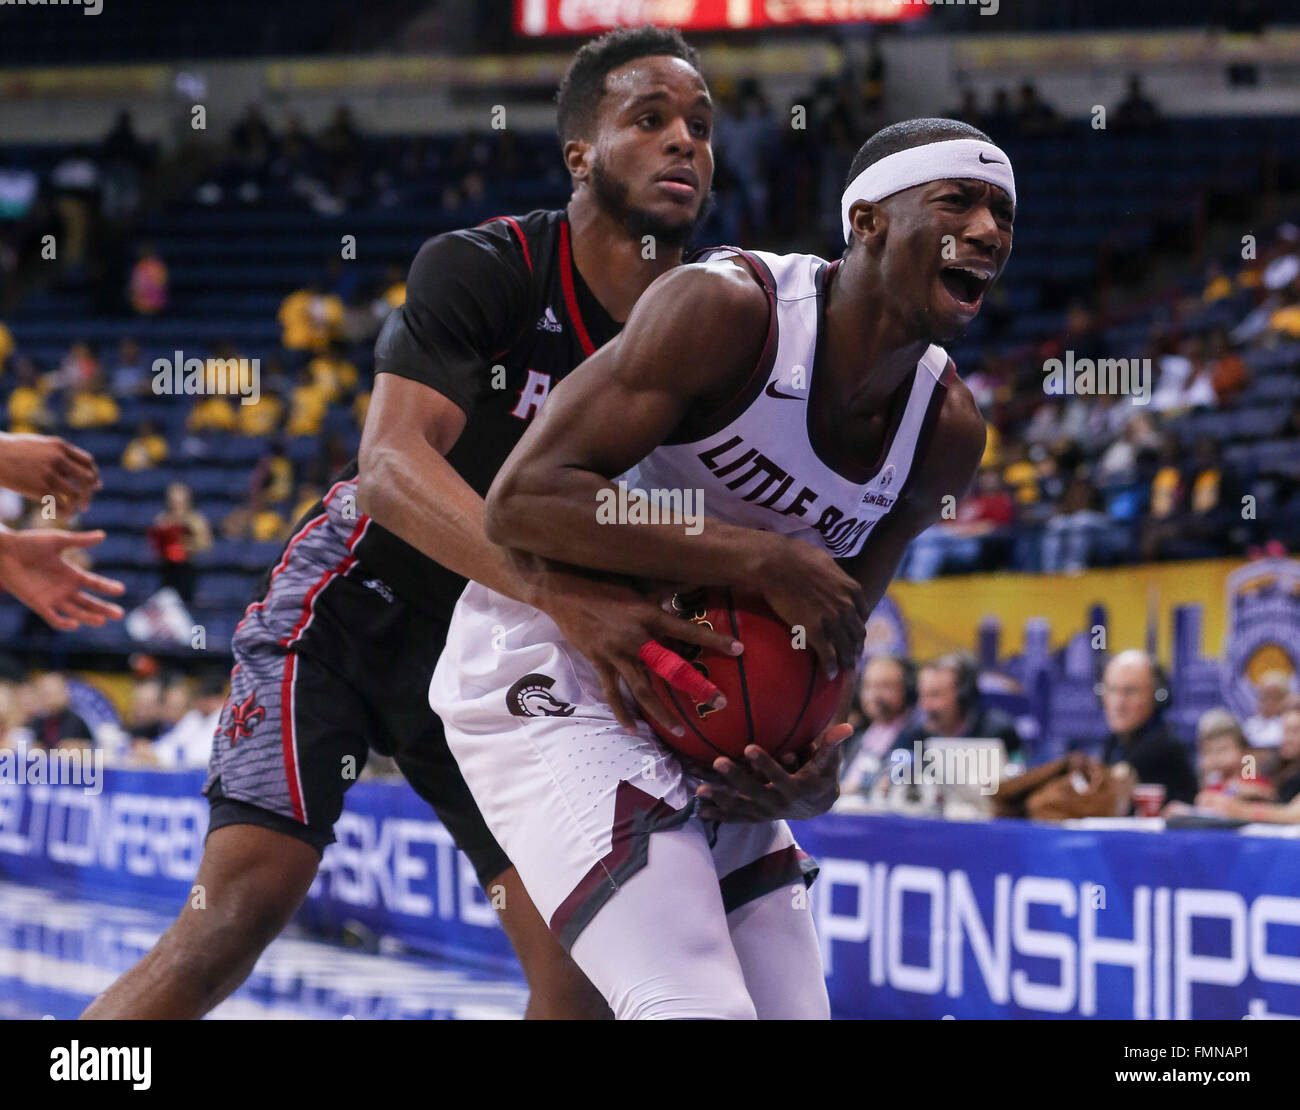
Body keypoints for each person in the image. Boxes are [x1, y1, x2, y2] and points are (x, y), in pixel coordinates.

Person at [83, 27, 826, 1022]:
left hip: (508, 666)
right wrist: (562, 596)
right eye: (648, 120)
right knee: (239, 908)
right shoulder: (489, 267)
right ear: (580, 153)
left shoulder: (723, 321)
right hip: (357, 613)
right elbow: (389, 468)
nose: (684, 142)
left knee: (581, 988)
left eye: (699, 123)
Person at [429, 116, 1012, 1018]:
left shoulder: (946, 432)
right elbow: (523, 500)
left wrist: (817, 762)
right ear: (866, 221)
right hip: (560, 662)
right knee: (694, 1004)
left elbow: (835, 632)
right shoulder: (729, 309)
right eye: (958, 201)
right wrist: (757, 553)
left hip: (707, 718)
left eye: (1003, 214)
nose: (988, 231)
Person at [0, 431, 124, 630]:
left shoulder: (52, 509)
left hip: (44, 569)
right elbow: (43, 520)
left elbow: (50, 520)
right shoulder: (40, 510)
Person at [1099, 649, 1197, 805]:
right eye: (1111, 690)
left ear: (1158, 696)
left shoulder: (1164, 745)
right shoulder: (1112, 743)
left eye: (1130, 692)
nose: (1118, 704)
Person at [896, 653, 1022, 756]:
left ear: (963, 696)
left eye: (935, 695)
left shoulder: (1000, 733)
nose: (924, 705)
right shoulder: (913, 736)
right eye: (922, 695)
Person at [839, 655, 916, 794]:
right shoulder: (854, 736)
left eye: (885, 687)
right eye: (868, 686)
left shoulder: (915, 738)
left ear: (907, 690)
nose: (874, 695)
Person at [1243, 670, 1292, 749]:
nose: (1267, 703)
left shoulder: (1290, 726)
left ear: (1285, 699)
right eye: (1263, 697)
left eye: (1273, 698)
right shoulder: (1251, 725)